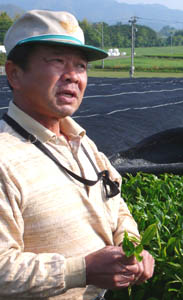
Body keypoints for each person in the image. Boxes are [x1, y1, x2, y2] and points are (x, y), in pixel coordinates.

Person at [0, 9, 154, 300]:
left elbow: (116, 207)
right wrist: (79, 270)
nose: (72, 76)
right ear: (15, 74)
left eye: (81, 65)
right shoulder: (4, 159)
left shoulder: (82, 143)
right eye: (57, 61)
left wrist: (131, 247)